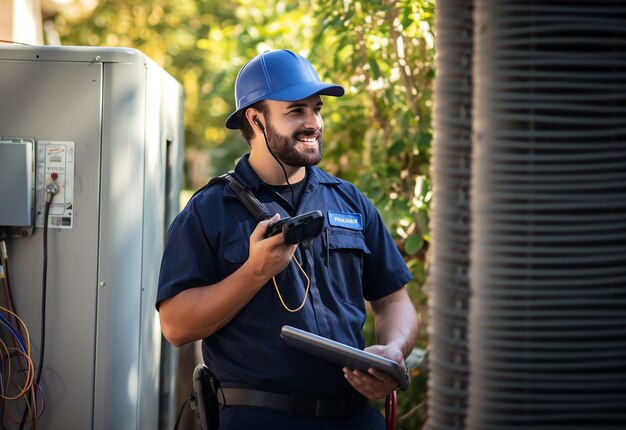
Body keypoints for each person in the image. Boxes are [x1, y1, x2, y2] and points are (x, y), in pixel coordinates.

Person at [157, 49, 419, 430]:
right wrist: (254, 272)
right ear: (256, 119)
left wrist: (393, 352)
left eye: (317, 109)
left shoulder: (350, 201)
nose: (313, 123)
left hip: (355, 418)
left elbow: (394, 299)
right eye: (296, 111)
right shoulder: (208, 211)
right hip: (258, 418)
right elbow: (176, 327)